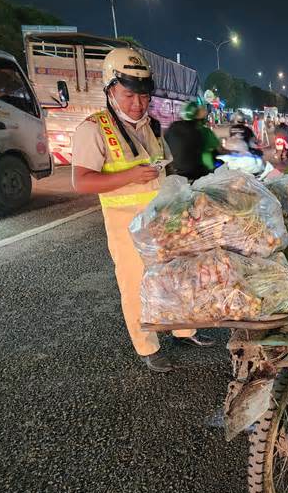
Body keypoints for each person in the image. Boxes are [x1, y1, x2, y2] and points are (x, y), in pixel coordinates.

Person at [71, 48, 212, 373]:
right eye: (129, 95)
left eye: (144, 96)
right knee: (136, 286)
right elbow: (81, 181)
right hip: (126, 229)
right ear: (110, 91)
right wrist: (131, 176)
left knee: (175, 277)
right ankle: (147, 347)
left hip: (161, 222)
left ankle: (183, 330)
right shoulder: (93, 130)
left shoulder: (152, 126)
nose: (137, 103)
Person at [164, 99, 222, 181]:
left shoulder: (172, 127)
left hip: (176, 171)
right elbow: (217, 149)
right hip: (198, 172)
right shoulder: (202, 131)